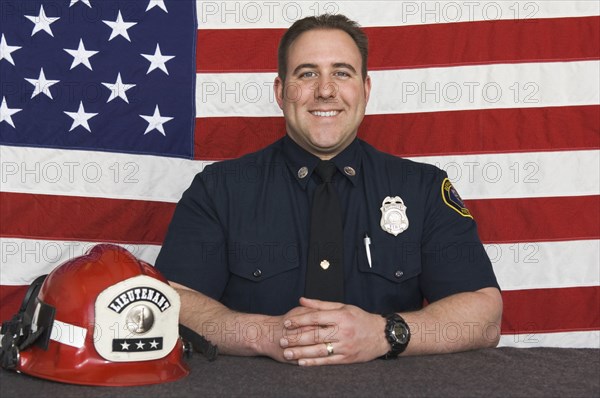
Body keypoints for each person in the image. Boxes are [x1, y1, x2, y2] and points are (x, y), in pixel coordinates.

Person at [155, 14, 502, 366]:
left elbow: (484, 314)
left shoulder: (422, 188)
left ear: (365, 90)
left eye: (341, 72)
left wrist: (384, 334)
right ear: (280, 91)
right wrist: (264, 333)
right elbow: (172, 299)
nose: (325, 90)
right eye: (307, 73)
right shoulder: (218, 189)